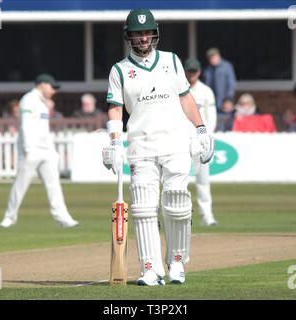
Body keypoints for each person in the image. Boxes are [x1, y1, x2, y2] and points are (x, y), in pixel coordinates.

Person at [102, 9, 214, 286]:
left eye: (147, 33)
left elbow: (186, 98)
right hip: (140, 144)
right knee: (142, 207)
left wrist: (201, 129)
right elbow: (115, 109)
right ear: (129, 37)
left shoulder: (172, 61)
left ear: (155, 33)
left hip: (175, 142)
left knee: (177, 201)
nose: (143, 38)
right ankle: (150, 268)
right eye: (137, 34)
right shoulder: (119, 70)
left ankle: (176, 262)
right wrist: (115, 143)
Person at [0, 74, 78, 228]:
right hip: (31, 150)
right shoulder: (28, 100)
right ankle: (9, 218)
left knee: (54, 185)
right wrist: (28, 148)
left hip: (46, 151)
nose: (54, 91)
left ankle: (63, 218)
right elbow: (26, 126)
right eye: (52, 87)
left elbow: (43, 128)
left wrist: (51, 150)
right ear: (43, 85)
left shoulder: (43, 103)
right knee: (20, 185)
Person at [184, 58, 217, 226]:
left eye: (194, 71)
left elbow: (211, 117)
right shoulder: (179, 90)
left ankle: (207, 216)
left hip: (200, 141)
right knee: (179, 179)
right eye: (189, 71)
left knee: (203, 181)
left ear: (199, 72)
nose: (191, 74)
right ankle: (182, 216)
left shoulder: (206, 91)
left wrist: (207, 137)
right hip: (182, 140)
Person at [202, 48, 237, 131]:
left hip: (225, 102)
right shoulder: (207, 70)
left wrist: (229, 99)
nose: (212, 60)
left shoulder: (227, 66)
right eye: (210, 58)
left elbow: (231, 83)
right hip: (212, 102)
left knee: (227, 124)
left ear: (218, 56)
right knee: (213, 124)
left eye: (213, 57)